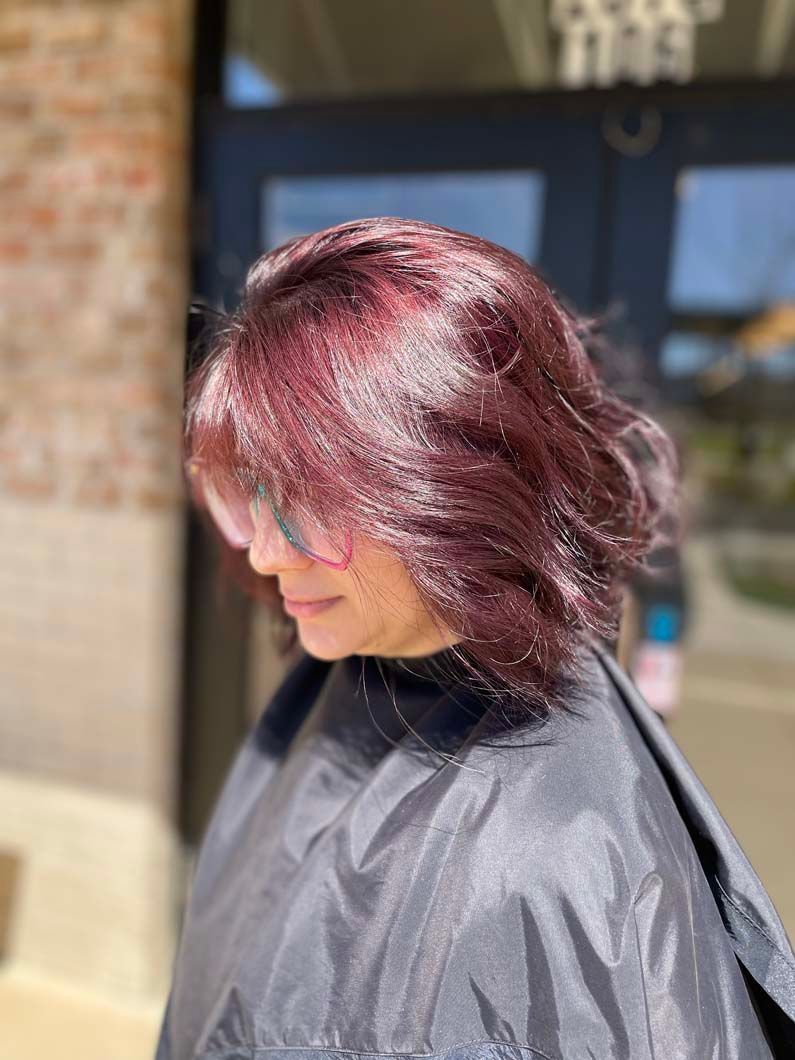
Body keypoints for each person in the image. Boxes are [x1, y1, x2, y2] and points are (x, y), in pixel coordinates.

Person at [156, 217, 795, 1059]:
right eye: (247, 493)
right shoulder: (337, 690)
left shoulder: (570, 855)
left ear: (454, 494)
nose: (268, 554)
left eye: (308, 502)